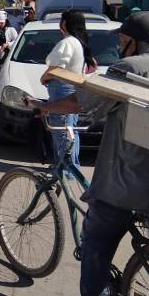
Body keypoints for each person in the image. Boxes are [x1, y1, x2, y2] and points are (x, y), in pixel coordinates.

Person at [25, 11, 149, 296]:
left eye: (123, 41)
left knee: (96, 245)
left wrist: (46, 106)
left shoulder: (131, 68)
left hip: (125, 183)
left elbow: (81, 103)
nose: (120, 46)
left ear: (133, 42)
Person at [40, 10, 95, 179]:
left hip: (62, 89)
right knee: (69, 131)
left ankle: (66, 170)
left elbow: (57, 68)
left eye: (61, 20)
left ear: (65, 23)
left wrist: (44, 77)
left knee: (62, 131)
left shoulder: (68, 42)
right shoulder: (78, 42)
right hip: (70, 88)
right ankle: (66, 166)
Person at [0, 11, 19, 84]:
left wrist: (7, 44)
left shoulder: (11, 30)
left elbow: (17, 41)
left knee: (3, 74)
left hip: (5, 54)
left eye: (1, 23)